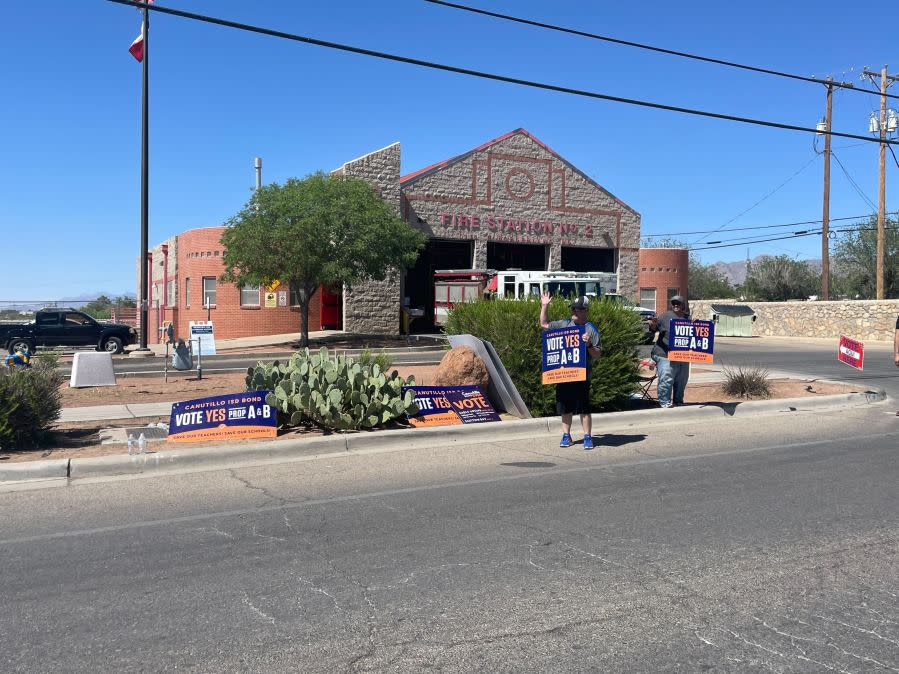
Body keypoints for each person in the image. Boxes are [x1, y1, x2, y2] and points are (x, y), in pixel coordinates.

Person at [540, 292, 602, 449]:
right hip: (563, 375)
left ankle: (587, 437)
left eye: (577, 309)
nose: (573, 312)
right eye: (573, 309)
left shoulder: (590, 329)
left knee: (584, 407)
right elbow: (544, 324)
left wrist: (588, 345)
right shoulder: (564, 324)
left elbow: (597, 355)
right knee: (565, 407)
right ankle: (566, 436)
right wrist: (544, 306)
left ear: (585, 311)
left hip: (582, 376)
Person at [649, 295, 691, 408]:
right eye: (673, 303)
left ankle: (678, 401)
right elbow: (654, 329)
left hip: (682, 355)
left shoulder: (688, 318)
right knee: (667, 379)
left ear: (683, 305)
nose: (675, 305)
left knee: (681, 380)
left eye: (678, 303)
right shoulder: (664, 317)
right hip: (664, 354)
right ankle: (665, 402)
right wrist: (653, 324)